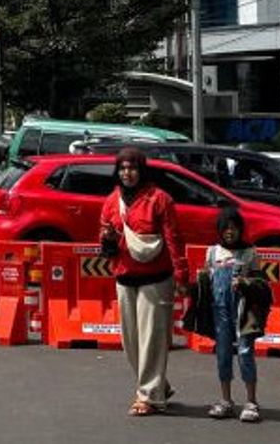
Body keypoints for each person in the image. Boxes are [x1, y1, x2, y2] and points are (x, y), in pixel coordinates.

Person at [99, 147, 187, 417]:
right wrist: (108, 242)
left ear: (142, 170)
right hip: (125, 277)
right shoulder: (112, 201)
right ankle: (159, 385)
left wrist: (182, 276)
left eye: (133, 167)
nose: (127, 173)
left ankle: (148, 396)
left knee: (152, 340)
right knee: (131, 342)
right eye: (123, 168)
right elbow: (104, 240)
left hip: (156, 279)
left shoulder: (160, 199)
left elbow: (174, 240)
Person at [205, 211, 269, 423]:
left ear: (240, 229)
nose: (229, 232)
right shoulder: (213, 252)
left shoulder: (250, 252)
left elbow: (261, 284)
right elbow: (208, 278)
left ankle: (251, 402)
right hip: (220, 310)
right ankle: (226, 401)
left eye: (233, 227)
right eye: (225, 228)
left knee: (244, 352)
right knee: (223, 354)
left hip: (243, 312)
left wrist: (244, 283)